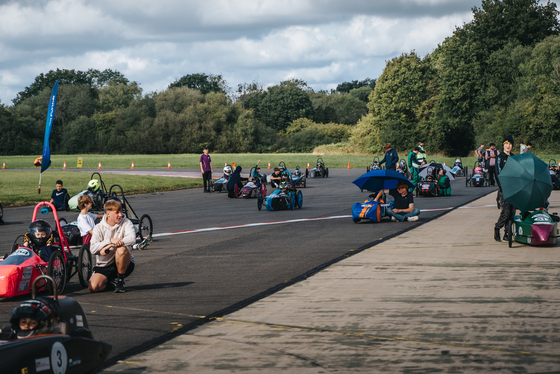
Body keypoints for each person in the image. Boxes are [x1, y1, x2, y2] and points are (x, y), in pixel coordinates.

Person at [89, 200, 136, 293]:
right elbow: (92, 249)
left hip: (125, 262)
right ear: (108, 214)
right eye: (117, 212)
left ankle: (120, 281)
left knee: (121, 249)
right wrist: (109, 241)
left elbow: (132, 239)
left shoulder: (126, 222)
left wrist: (112, 245)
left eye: (121, 211)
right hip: (105, 264)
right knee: (93, 287)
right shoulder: (98, 227)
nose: (120, 215)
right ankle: (110, 283)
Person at [494, 135, 516, 242]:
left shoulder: (514, 158)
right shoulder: (500, 158)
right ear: (503, 145)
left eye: (510, 144)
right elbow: (498, 174)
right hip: (504, 189)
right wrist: (502, 187)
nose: (508, 146)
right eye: (506, 144)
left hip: (514, 189)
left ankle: (507, 233)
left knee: (512, 213)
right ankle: (497, 228)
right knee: (505, 212)